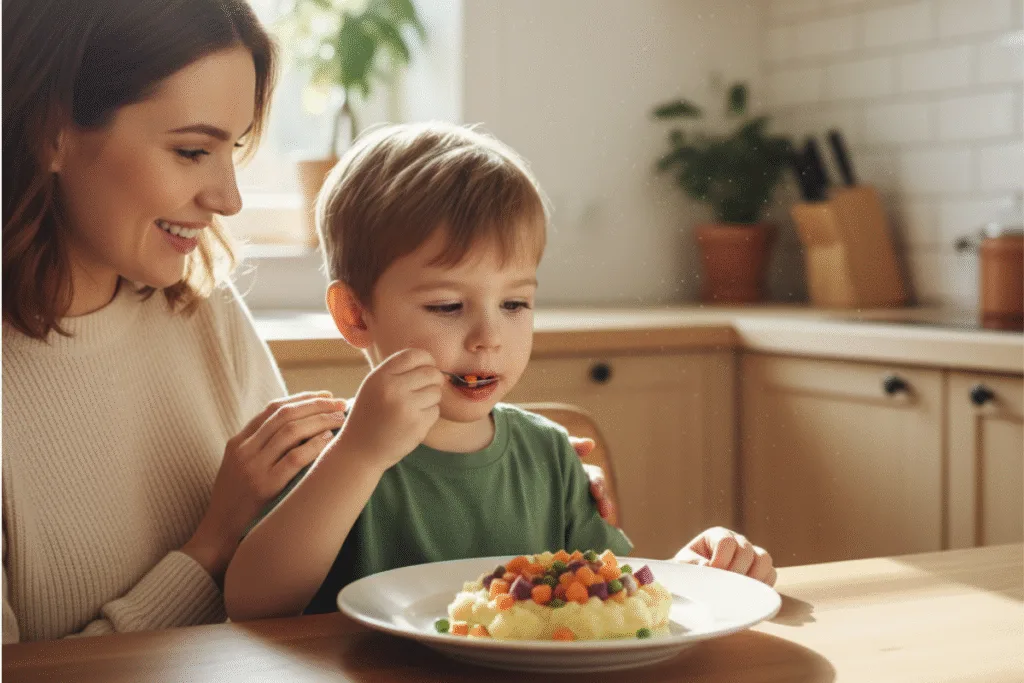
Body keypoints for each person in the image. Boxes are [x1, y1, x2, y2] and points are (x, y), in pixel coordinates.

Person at [0, 0, 613, 643]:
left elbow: (321, 500)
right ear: (51, 132)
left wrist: (502, 475)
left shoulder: (201, 307)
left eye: (232, 149)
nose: (229, 199)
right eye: (190, 150)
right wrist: (209, 546)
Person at [224, 123, 776, 622]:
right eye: (446, 307)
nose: (489, 337)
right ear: (355, 315)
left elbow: (609, 602)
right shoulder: (321, 448)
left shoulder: (551, 456)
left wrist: (691, 575)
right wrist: (358, 456)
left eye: (515, 305)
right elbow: (252, 605)